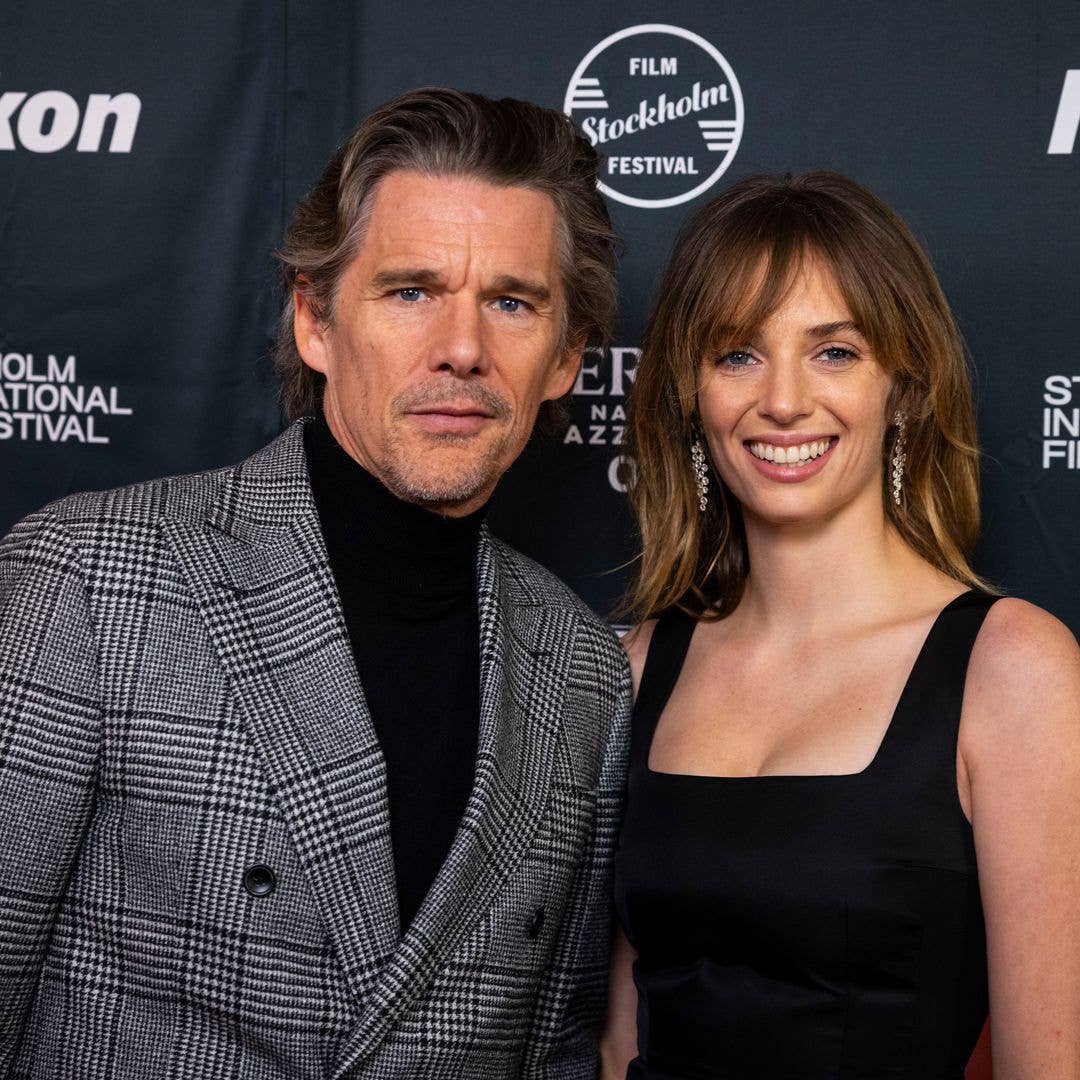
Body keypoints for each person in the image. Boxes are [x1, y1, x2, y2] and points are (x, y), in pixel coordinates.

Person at [0, 87, 631, 1078]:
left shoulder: (585, 674)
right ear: (314, 322)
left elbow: (551, 1054)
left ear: (566, 358)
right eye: (411, 291)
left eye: (512, 302)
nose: (463, 348)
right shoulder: (87, 582)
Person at [601, 172, 1080, 1079]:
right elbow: (619, 1038)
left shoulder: (1011, 670)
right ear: (688, 393)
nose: (783, 401)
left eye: (834, 352)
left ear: (906, 385)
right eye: (737, 354)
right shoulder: (632, 668)